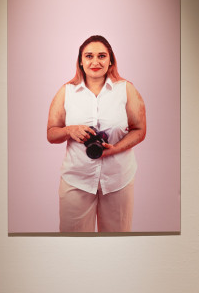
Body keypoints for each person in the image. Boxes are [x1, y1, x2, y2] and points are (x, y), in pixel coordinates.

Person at [47, 35, 146, 232]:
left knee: (117, 242)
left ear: (110, 60)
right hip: (77, 179)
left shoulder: (126, 89)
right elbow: (51, 134)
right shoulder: (66, 92)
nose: (95, 62)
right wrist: (70, 130)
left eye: (101, 56)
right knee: (74, 244)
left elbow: (140, 129)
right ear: (80, 61)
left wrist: (114, 149)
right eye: (89, 56)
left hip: (118, 179)